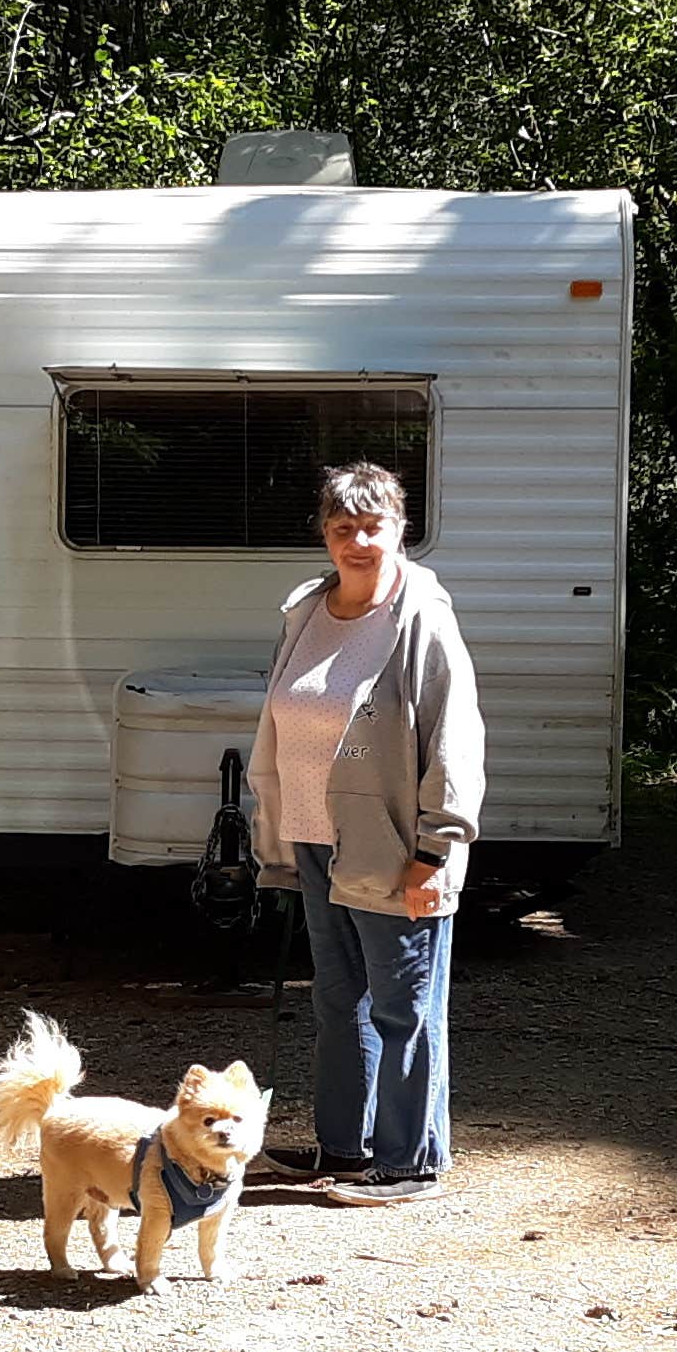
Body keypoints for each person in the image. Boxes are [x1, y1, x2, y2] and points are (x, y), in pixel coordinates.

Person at [246, 462, 482, 1206]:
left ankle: (410, 1161)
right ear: (325, 533)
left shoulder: (421, 619)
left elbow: (457, 740)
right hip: (315, 837)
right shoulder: (308, 610)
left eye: (371, 526)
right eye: (342, 527)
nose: (358, 541)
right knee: (337, 999)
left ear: (398, 528)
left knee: (403, 1006)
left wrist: (434, 848)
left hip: (394, 843)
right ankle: (345, 1148)